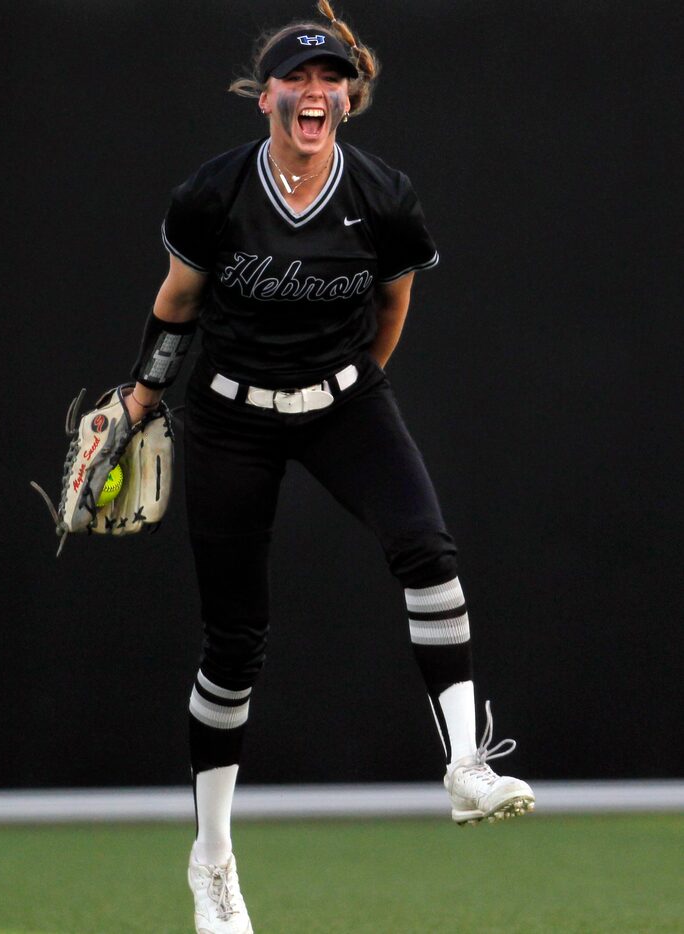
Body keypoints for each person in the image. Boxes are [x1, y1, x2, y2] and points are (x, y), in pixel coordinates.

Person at [120, 5, 535, 932]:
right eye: (298, 79)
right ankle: (214, 860)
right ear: (264, 94)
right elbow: (177, 301)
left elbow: (392, 306)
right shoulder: (214, 192)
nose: (315, 93)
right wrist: (142, 398)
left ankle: (466, 766)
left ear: (349, 96)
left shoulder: (383, 196)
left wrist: (355, 389)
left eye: (331, 79)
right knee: (235, 645)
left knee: (428, 550)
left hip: (344, 399)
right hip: (229, 413)